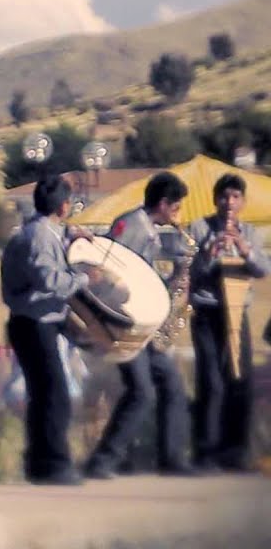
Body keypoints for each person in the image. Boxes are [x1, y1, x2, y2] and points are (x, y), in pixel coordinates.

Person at [83, 172, 196, 479]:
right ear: (163, 204)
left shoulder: (149, 231)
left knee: (171, 383)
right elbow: (113, 270)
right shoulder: (131, 226)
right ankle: (103, 461)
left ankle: (171, 458)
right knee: (142, 392)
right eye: (176, 208)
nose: (177, 215)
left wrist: (173, 281)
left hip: (144, 325)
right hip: (126, 323)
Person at [0, 175, 90, 486]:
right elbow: (47, 280)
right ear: (64, 206)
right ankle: (54, 463)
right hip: (35, 323)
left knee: (41, 394)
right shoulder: (40, 236)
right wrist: (83, 278)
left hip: (35, 323)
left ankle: (39, 462)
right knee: (55, 395)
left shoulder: (41, 232)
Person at [186, 173, 270, 472]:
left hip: (238, 313)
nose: (229, 203)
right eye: (224, 196)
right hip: (208, 312)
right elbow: (191, 272)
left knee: (240, 382)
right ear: (215, 200)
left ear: (243, 202)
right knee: (211, 383)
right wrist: (211, 250)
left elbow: (262, 269)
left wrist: (244, 247)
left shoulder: (251, 231)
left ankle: (234, 453)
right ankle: (206, 454)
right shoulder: (198, 227)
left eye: (235, 197)